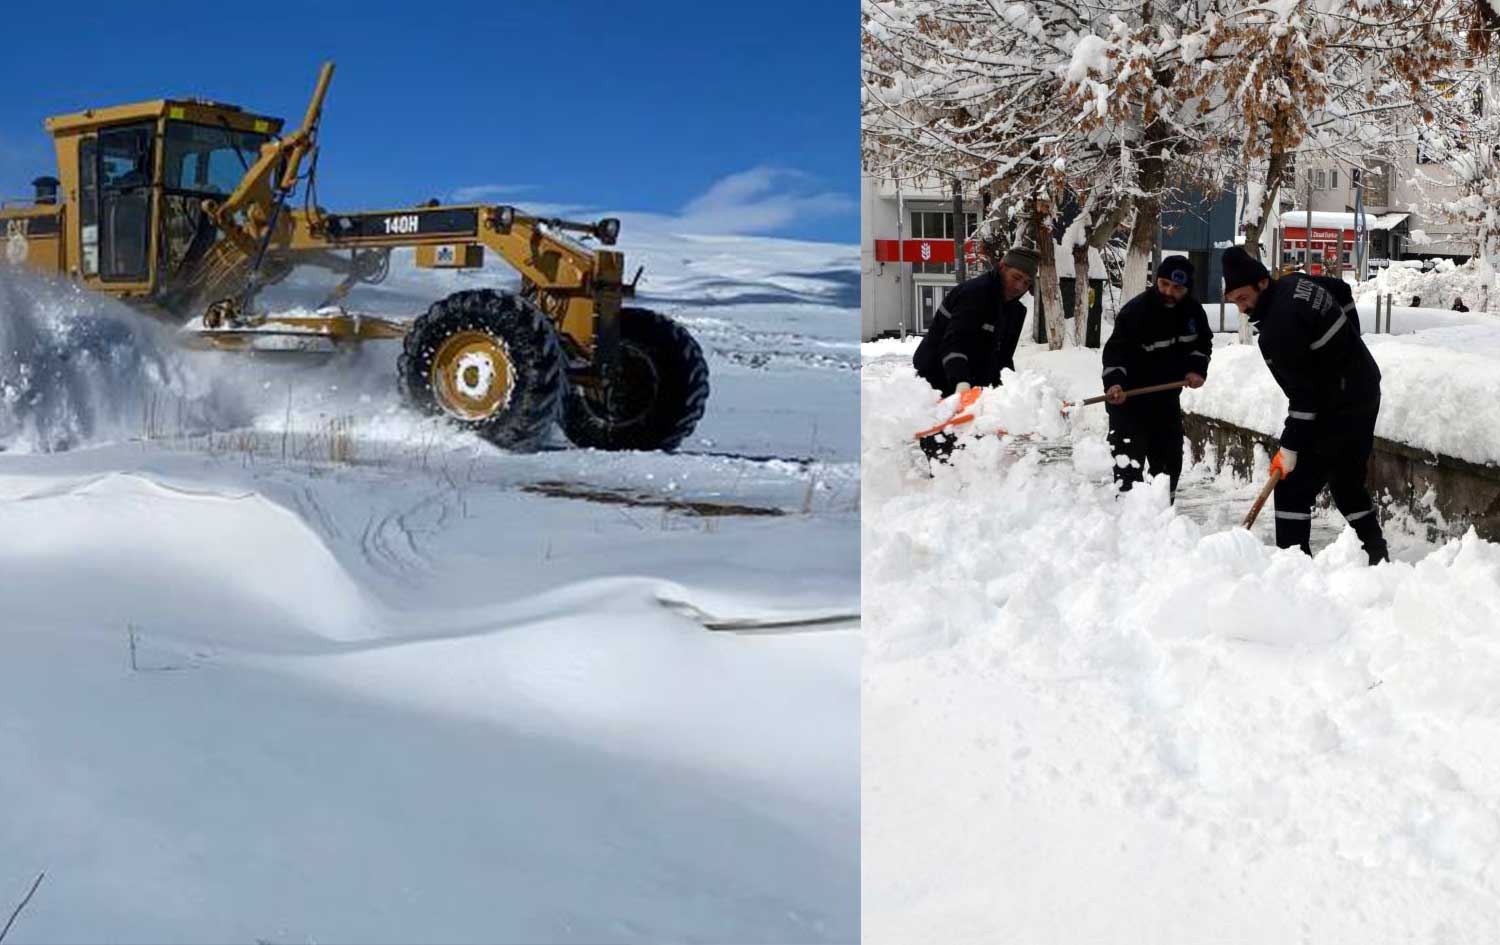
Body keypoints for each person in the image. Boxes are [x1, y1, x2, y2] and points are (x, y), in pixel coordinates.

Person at [1221, 245, 1389, 565]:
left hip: (1340, 405)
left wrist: (1289, 449)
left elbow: (1304, 398)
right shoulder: (1294, 283)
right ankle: (1376, 555)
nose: (1241, 309)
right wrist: (1349, 346)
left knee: (1291, 488)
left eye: (1243, 298)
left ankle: (1293, 569)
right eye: (1234, 302)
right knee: (1346, 483)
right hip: (1362, 389)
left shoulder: (1278, 329)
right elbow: (1340, 289)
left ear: (1261, 284)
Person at [1100, 255, 1211, 498]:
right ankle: (1129, 521)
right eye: (1163, 284)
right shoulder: (1136, 312)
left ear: (1187, 288)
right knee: (1129, 470)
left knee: (1168, 467)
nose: (1169, 292)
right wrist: (1114, 383)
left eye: (1177, 288)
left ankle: (1162, 521)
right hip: (1129, 403)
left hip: (1165, 401)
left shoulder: (1193, 313)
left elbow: (1201, 345)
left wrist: (1196, 369)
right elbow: (1115, 353)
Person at [912, 247, 1039, 397]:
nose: (1020, 287)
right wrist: (961, 383)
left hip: (976, 388)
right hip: (936, 383)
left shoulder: (1016, 312)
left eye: (1026, 283)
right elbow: (954, 342)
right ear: (1002, 267)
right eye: (1016, 277)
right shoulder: (974, 294)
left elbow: (1003, 359)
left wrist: (1009, 393)